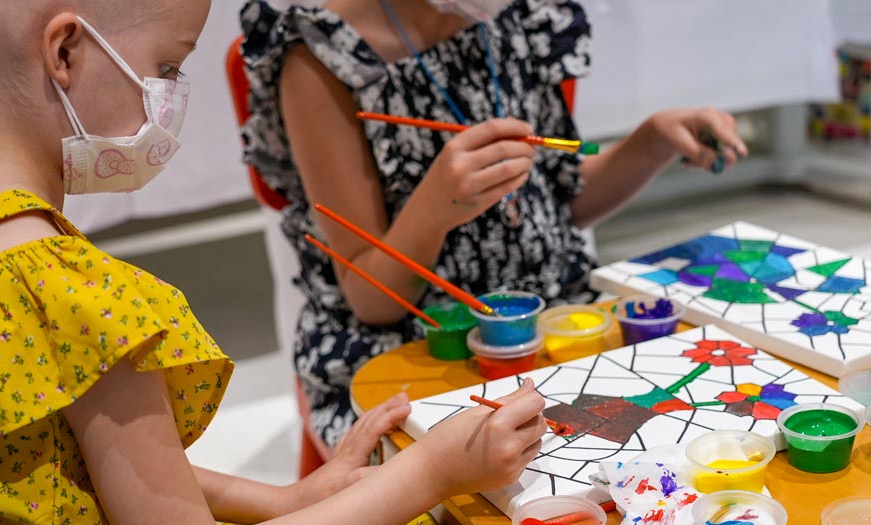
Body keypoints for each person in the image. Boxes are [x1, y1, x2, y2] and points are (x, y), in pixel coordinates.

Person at [0, 1, 549, 525]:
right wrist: (430, 472)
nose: (171, 97)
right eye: (167, 66)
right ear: (65, 51)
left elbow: (54, 475)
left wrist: (286, 500)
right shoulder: (66, 292)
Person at [240, 0, 749, 447]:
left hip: (549, 321)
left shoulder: (515, 15)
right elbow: (371, 299)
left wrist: (652, 141)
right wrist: (433, 208)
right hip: (418, 348)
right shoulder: (322, 58)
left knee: (692, 424)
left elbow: (561, 204)